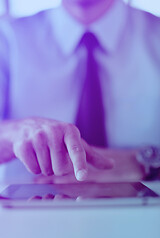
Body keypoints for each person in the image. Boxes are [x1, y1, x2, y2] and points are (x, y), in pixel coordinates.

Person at [0, 0, 160, 183]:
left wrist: (141, 163)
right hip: (29, 206)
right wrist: (12, 133)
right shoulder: (6, 38)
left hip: (149, 208)